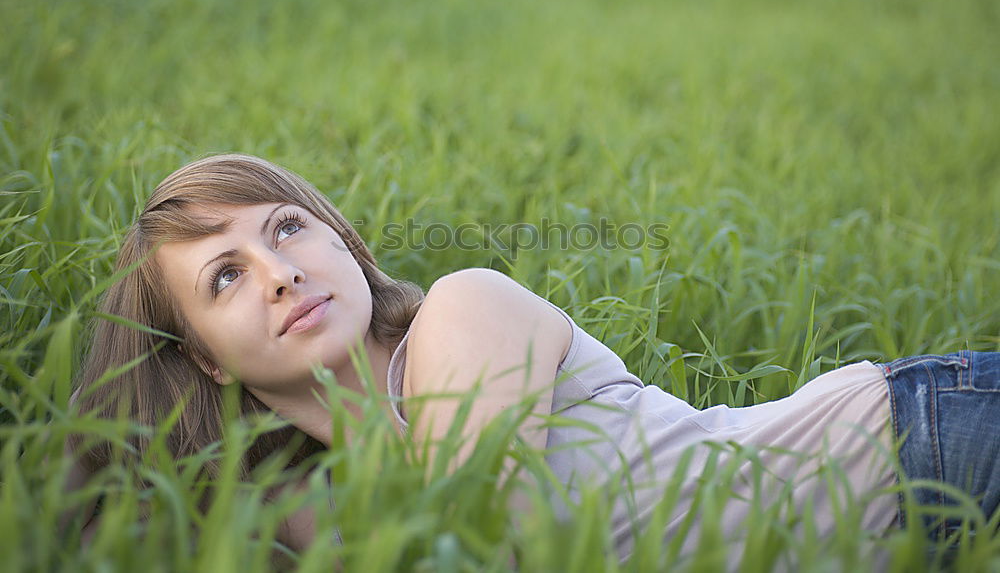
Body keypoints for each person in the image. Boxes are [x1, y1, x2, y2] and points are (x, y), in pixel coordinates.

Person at [68, 153, 999, 563]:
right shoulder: (297, 512)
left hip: (919, 451)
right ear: (207, 359)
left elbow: (479, 541)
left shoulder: (464, 312)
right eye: (226, 275)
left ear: (344, 243)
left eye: (287, 228)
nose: (278, 271)